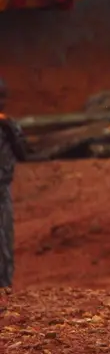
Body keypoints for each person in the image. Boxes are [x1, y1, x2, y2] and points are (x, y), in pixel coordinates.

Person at [0, 78, 28, 289]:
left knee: (5, 236)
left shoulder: (9, 125)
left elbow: (23, 153)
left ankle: (5, 284)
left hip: (3, 186)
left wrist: (10, 130)